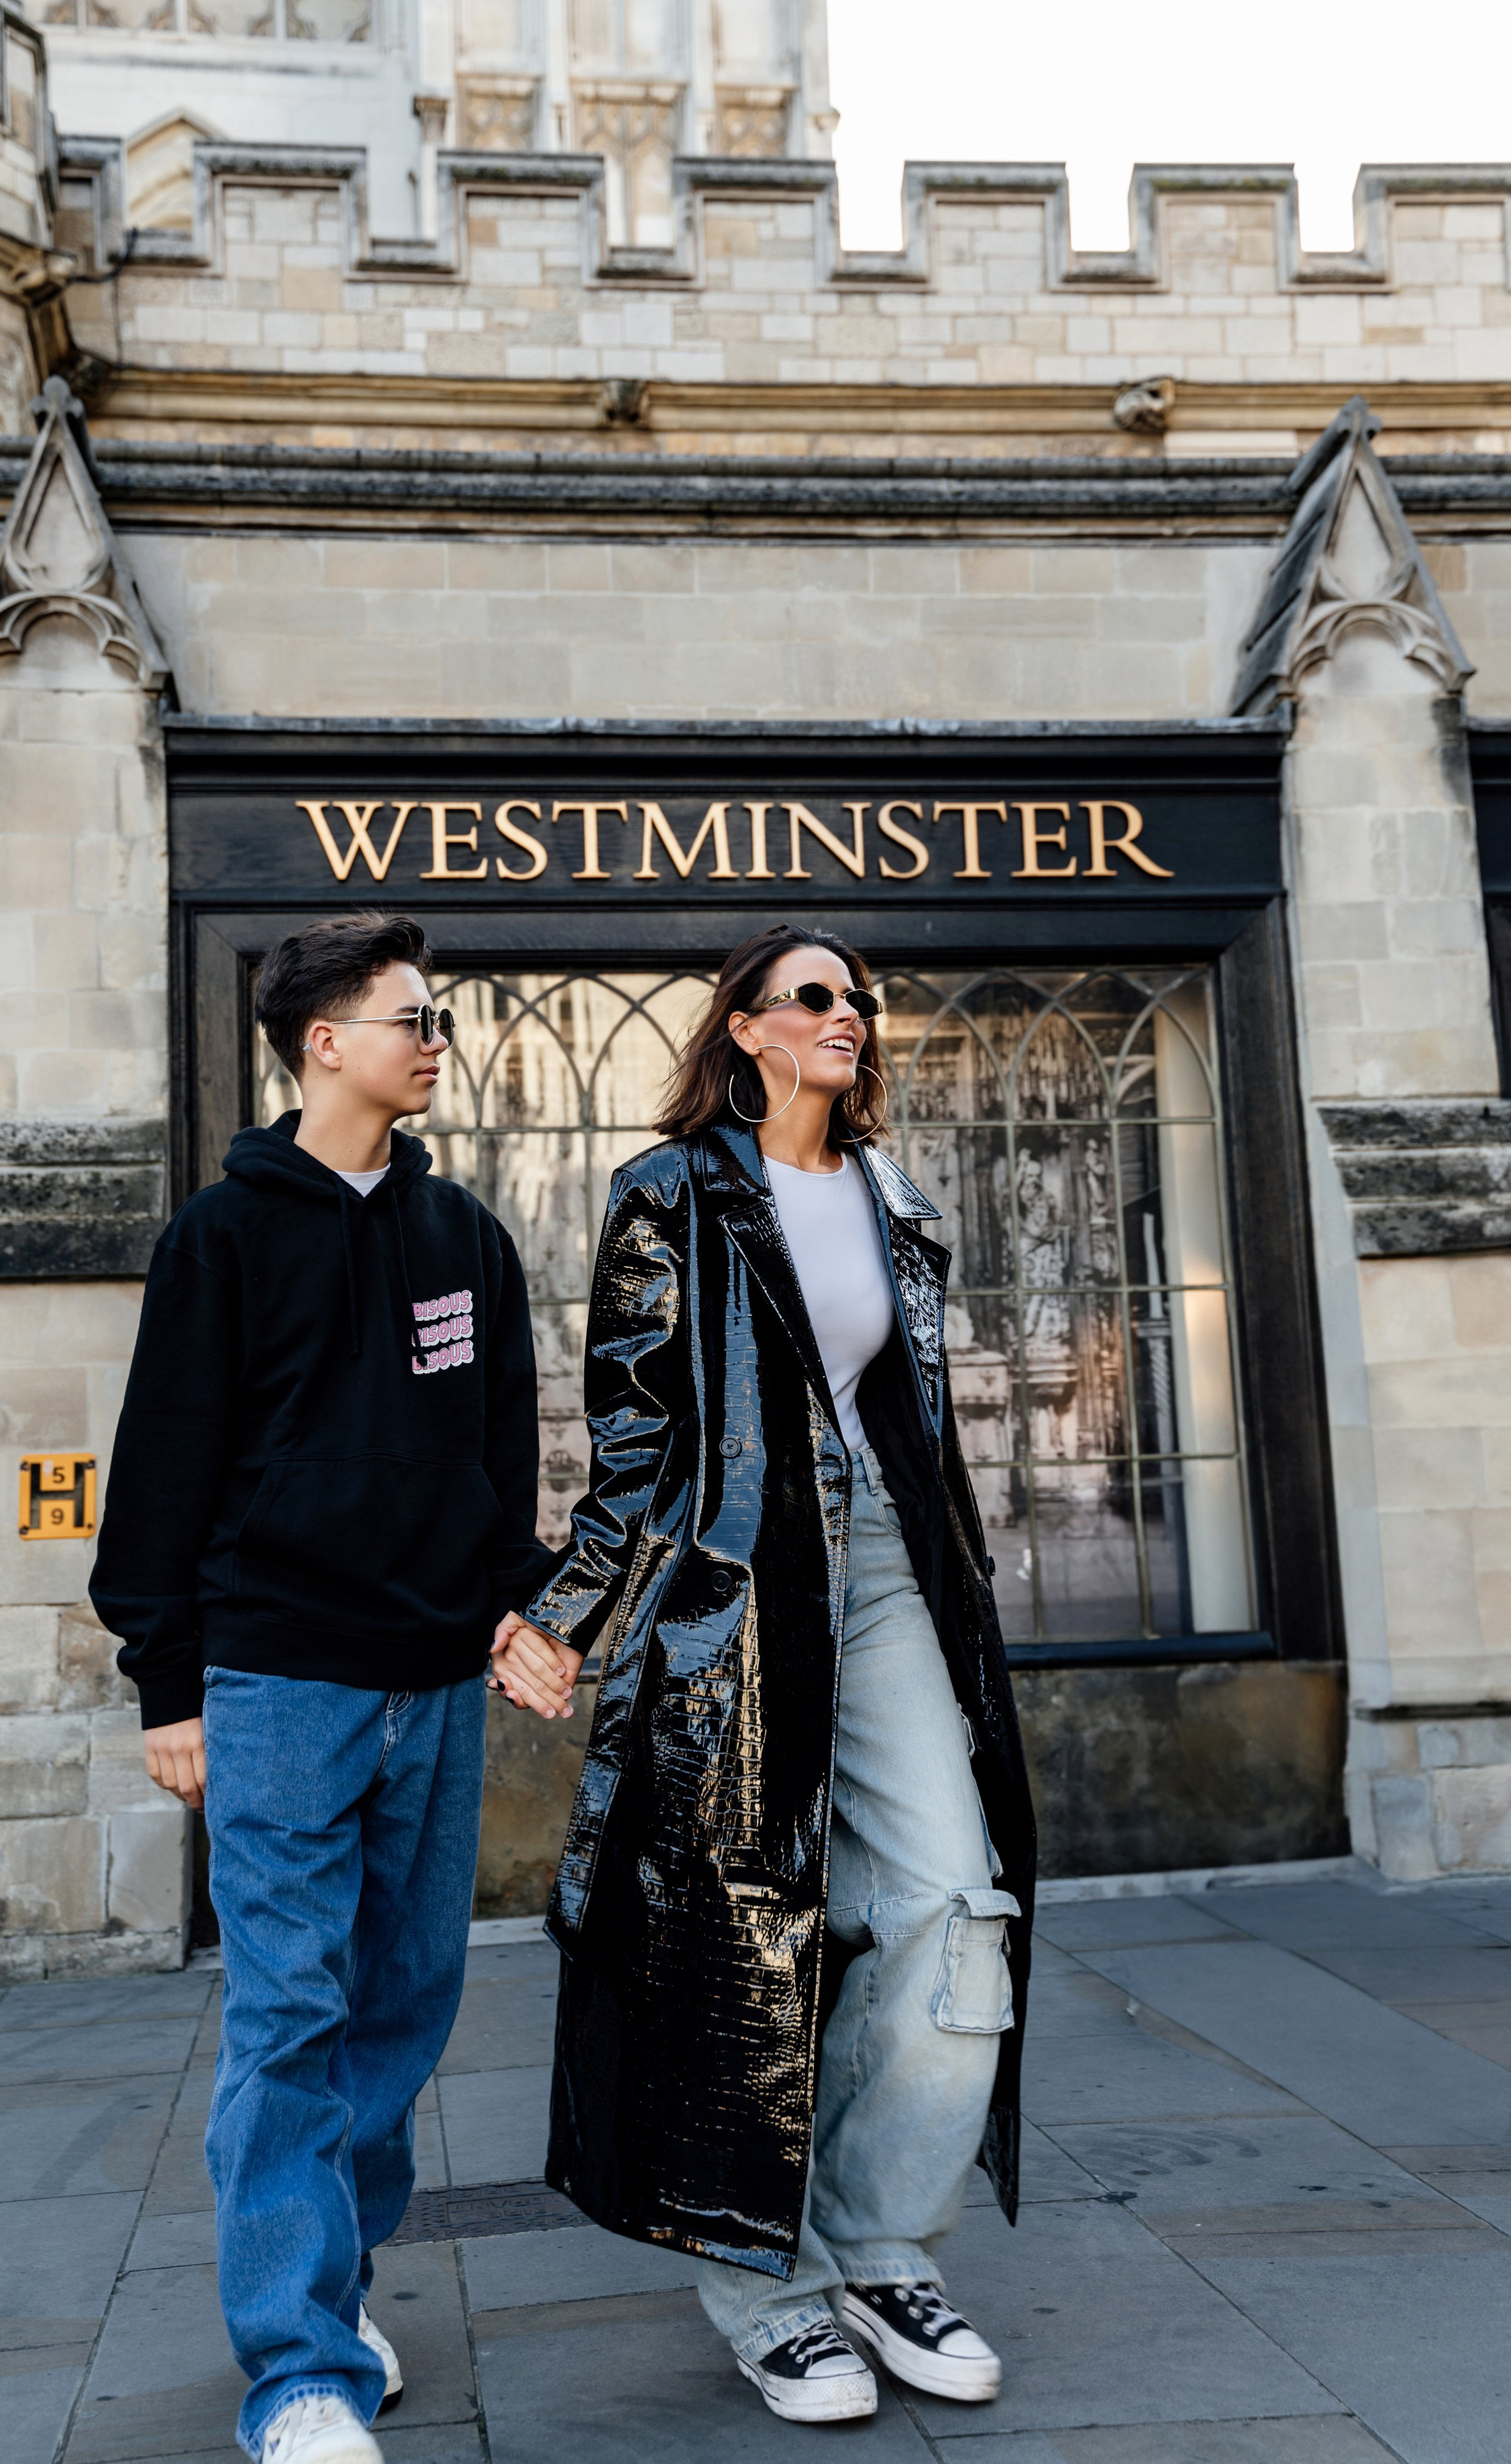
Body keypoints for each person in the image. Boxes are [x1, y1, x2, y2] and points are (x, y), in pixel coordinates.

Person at [490, 924, 1036, 2427]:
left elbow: (913, 1438)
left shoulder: (894, 1199)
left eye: (858, 996)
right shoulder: (669, 1194)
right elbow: (634, 1439)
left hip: (888, 1581)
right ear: (742, 1029)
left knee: (951, 1901)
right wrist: (570, 1610)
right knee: (744, 1929)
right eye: (813, 996)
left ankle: (873, 2242)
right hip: (734, 1590)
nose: (846, 1014)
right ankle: (767, 2291)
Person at [91, 913, 548, 2464]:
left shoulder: (463, 1237)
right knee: (291, 2014)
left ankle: (328, 2282)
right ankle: (295, 2370)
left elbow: (501, 1462)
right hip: (280, 1680)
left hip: (437, 1682)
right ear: (323, 1042)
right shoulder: (223, 1235)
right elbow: (161, 1470)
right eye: (408, 1016)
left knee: (402, 2011)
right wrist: (167, 1684)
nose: (435, 1038)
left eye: (438, 1017)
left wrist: (512, 1613)